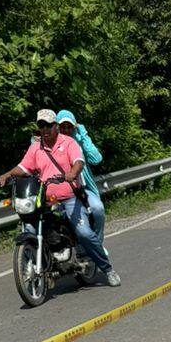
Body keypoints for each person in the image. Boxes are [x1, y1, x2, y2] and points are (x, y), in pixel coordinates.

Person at [0, 109, 121, 287]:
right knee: (30, 228)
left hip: (69, 198)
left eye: (48, 125)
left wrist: (72, 173)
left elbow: (79, 161)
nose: (45, 129)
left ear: (56, 126)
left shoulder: (68, 142)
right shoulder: (35, 147)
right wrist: (7, 175)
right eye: (41, 125)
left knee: (84, 233)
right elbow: (24, 168)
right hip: (45, 199)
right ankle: (44, 265)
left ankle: (107, 269)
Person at [56, 110, 106, 256]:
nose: (65, 130)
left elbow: (96, 159)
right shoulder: (52, 143)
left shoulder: (78, 140)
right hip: (58, 192)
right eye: (62, 127)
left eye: (69, 127)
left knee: (97, 209)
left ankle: (97, 245)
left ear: (74, 127)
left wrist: (83, 134)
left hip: (81, 189)